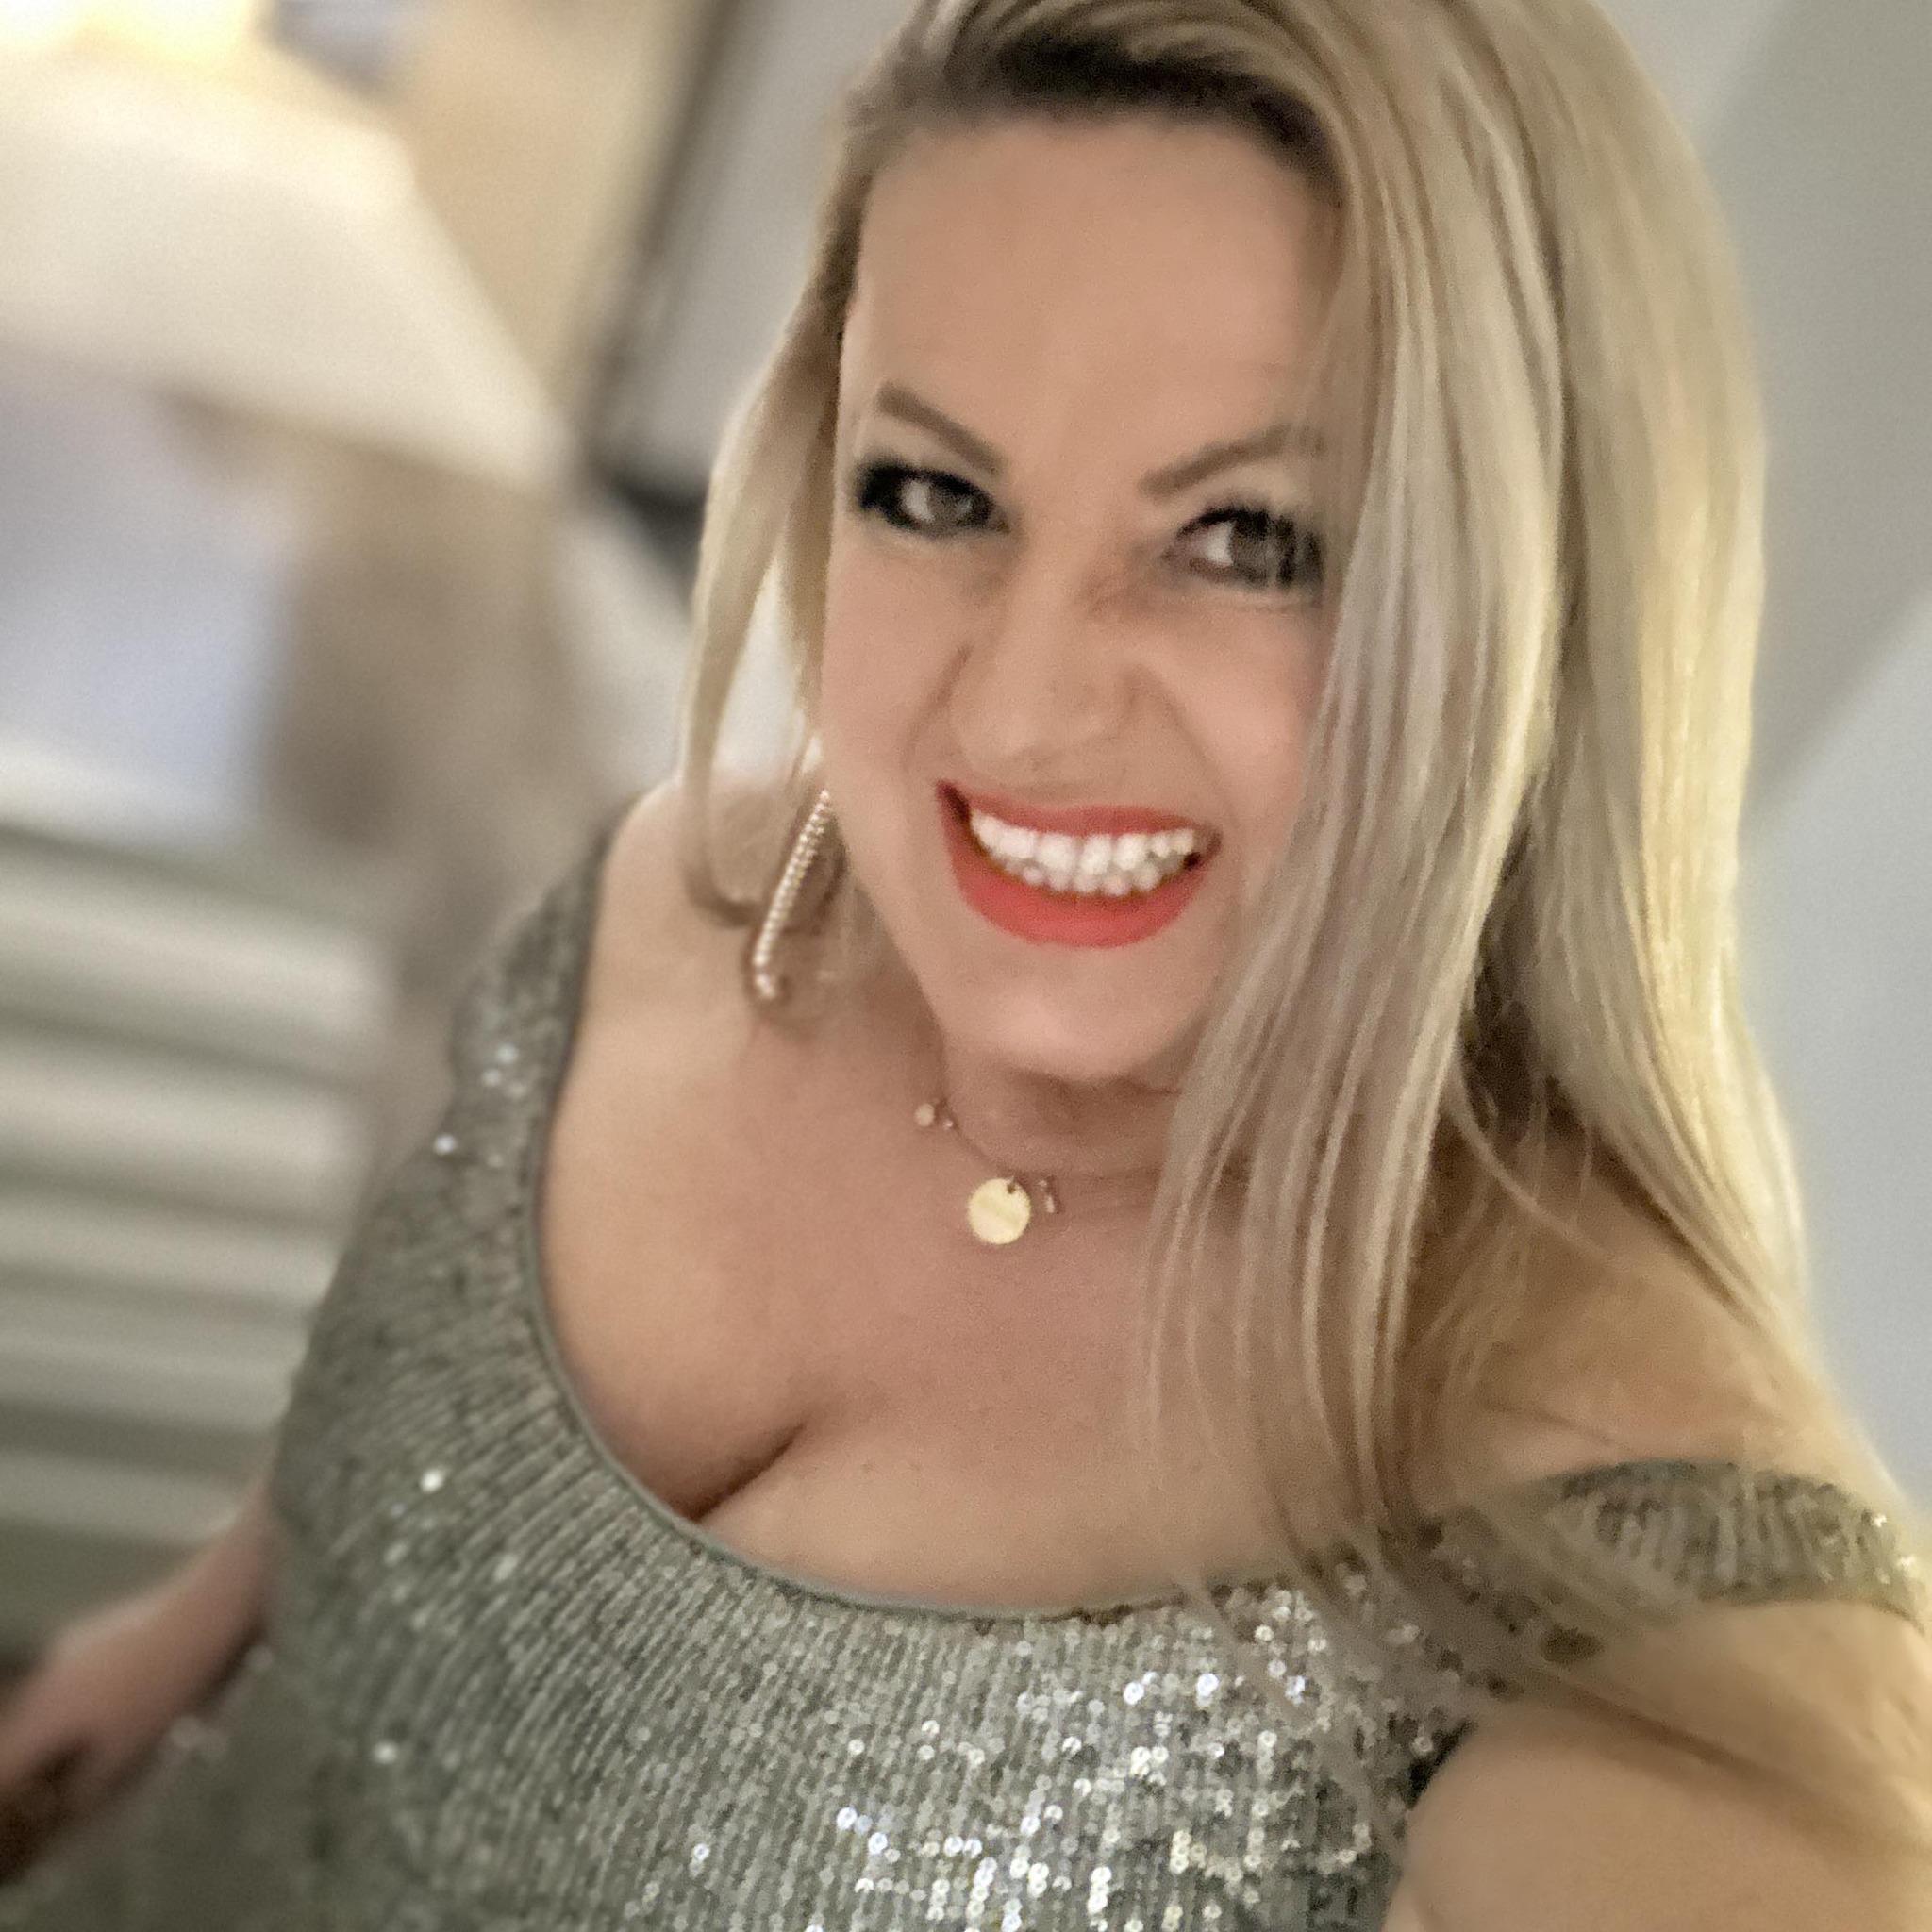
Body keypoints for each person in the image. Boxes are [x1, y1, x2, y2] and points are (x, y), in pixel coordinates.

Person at [2, 0, 1929, 1924]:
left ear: (1535, 613)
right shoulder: (688, 892)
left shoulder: (1631, 1558)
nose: (1014, 711)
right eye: (937, 496)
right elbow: (426, 1411)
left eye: (1248, 539)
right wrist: (173, 1639)